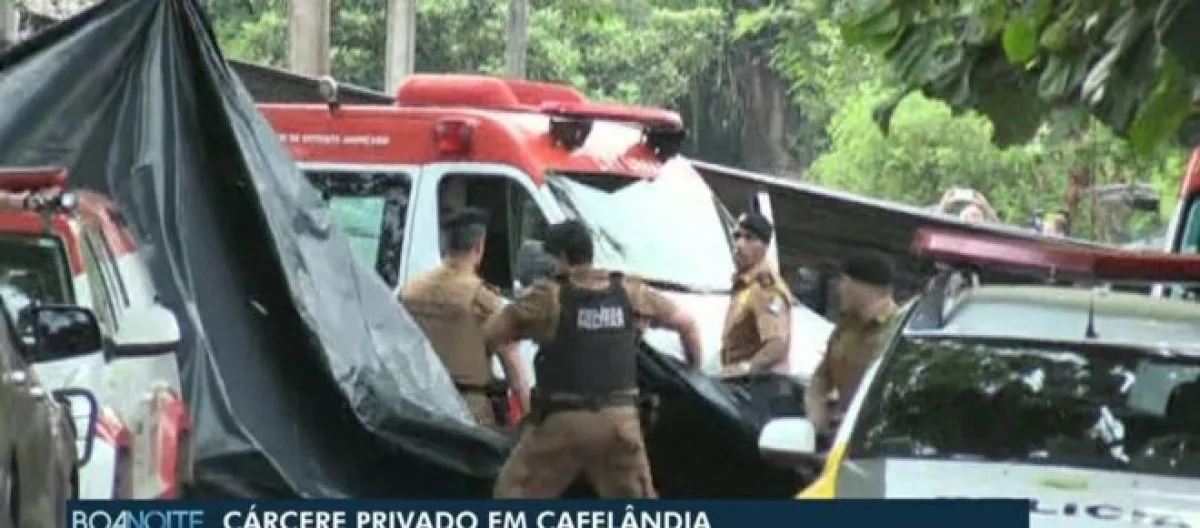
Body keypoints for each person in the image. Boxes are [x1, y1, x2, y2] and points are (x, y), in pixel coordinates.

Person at [485, 220, 702, 498]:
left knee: (511, 494)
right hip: (619, 423)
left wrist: (530, 329)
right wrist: (695, 377)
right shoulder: (629, 292)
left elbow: (492, 333)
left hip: (562, 422)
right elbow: (687, 324)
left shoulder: (548, 296)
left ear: (561, 258)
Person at [400, 207, 530, 426]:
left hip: (420, 407)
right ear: (479, 246)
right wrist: (530, 419)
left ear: (445, 245)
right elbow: (514, 369)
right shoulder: (482, 300)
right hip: (469, 415)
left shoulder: (410, 291)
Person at [804, 250, 899, 439]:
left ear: (861, 288)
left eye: (844, 281)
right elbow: (821, 378)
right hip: (840, 436)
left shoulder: (896, 332)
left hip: (875, 439)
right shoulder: (846, 326)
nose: (839, 289)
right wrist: (816, 412)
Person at [718, 212, 795, 377]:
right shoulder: (745, 282)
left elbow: (777, 345)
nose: (739, 244)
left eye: (749, 238)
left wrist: (745, 369)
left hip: (757, 385)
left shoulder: (766, 288)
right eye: (737, 236)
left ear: (764, 246)